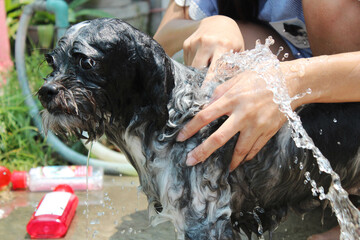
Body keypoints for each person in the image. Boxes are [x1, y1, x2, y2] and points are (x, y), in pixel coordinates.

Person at [154, 1, 360, 239]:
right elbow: (160, 42)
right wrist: (210, 25)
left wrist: (289, 81)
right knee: (233, 43)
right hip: (321, 120)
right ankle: (291, 191)